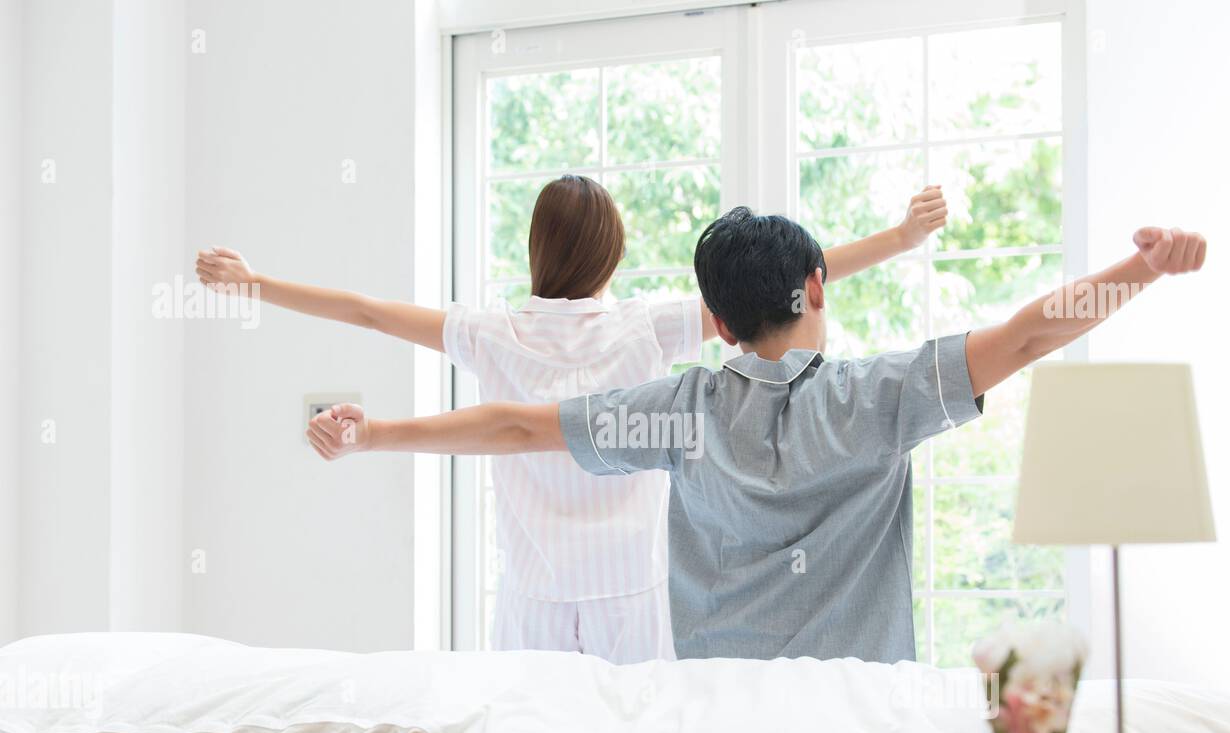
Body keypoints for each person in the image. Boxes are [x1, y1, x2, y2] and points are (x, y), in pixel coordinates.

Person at [306, 212, 1206, 662]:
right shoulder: (881, 396)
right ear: (817, 286)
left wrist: (374, 432)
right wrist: (1144, 268)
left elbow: (512, 424)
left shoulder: (676, 411)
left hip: (714, 716)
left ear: (718, 321)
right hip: (860, 717)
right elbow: (1026, 335)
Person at [198, 177, 949, 662]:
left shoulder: (491, 333)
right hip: (633, 589)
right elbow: (777, 287)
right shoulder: (643, 330)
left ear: (537, 249)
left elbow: (365, 312)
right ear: (612, 251)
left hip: (535, 591)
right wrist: (901, 240)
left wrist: (256, 284)